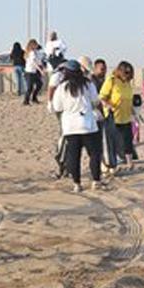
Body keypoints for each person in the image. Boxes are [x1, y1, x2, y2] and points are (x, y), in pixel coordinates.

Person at [52, 60, 105, 192]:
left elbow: (57, 107)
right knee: (94, 154)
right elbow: (95, 100)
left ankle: (77, 183)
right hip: (87, 124)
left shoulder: (62, 87)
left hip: (70, 126)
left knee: (74, 155)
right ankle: (96, 181)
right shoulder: (88, 84)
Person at [99, 61, 135, 171]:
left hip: (126, 116)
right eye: (125, 73)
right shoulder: (112, 80)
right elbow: (102, 96)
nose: (127, 75)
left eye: (129, 73)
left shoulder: (127, 83)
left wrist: (134, 112)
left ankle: (129, 163)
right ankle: (110, 165)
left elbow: (129, 98)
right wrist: (109, 105)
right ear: (120, 71)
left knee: (127, 140)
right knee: (113, 141)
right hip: (113, 116)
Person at [23, 39, 45, 105]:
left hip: (33, 72)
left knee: (39, 84)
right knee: (30, 87)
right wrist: (41, 70)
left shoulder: (33, 52)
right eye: (36, 44)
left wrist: (42, 66)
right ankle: (26, 101)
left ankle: (34, 98)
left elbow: (38, 61)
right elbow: (33, 63)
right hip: (29, 72)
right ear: (33, 45)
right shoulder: (31, 52)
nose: (37, 45)